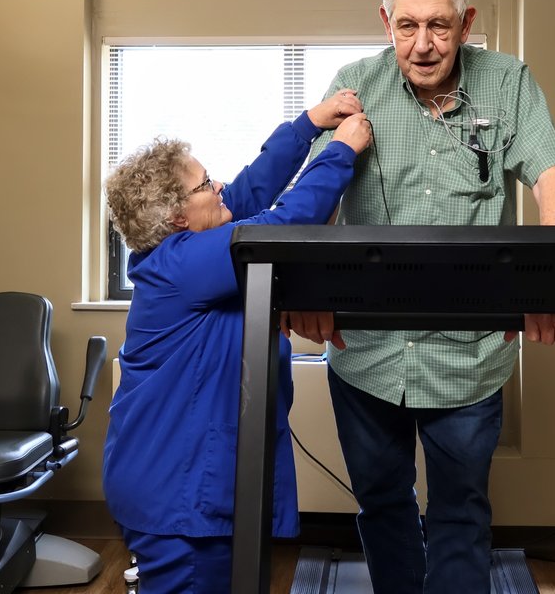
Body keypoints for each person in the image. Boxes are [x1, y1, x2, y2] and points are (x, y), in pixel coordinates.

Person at [288, 0, 555, 594]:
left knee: (460, 508)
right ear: (385, 22)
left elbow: (552, 179)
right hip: (367, 350)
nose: (423, 45)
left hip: (468, 353)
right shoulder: (353, 84)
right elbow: (317, 192)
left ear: (467, 22)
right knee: (383, 502)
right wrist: (306, 292)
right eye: (407, 26)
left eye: (440, 27)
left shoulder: (507, 83)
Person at [101, 91, 371, 594]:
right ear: (178, 216)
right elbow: (283, 225)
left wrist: (308, 125)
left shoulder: (187, 246)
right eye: (205, 183)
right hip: (174, 491)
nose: (219, 184)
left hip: (177, 481)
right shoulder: (184, 264)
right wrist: (341, 152)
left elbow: (247, 192)